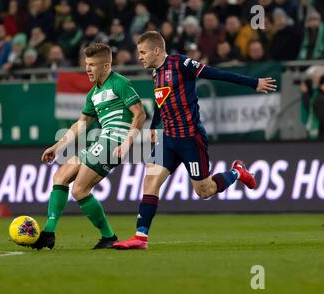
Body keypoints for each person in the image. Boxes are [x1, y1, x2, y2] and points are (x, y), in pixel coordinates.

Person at [113, 31, 277, 250]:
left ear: (156, 50)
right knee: (150, 180)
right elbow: (161, 101)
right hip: (168, 139)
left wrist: (253, 82)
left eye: (143, 52)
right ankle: (140, 237)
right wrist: (154, 127)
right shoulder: (156, 74)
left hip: (191, 138)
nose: (140, 57)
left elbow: (215, 73)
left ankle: (238, 171)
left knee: (204, 191)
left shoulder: (180, 63)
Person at [31, 43, 145, 250]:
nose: (87, 69)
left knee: (80, 190)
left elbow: (140, 113)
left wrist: (128, 142)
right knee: (60, 177)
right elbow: (80, 124)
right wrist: (57, 147)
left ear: (106, 66)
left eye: (92, 65)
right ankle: (49, 232)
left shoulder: (120, 83)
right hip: (102, 140)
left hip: (114, 141)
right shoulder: (93, 93)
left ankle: (107, 236)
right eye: (86, 64)